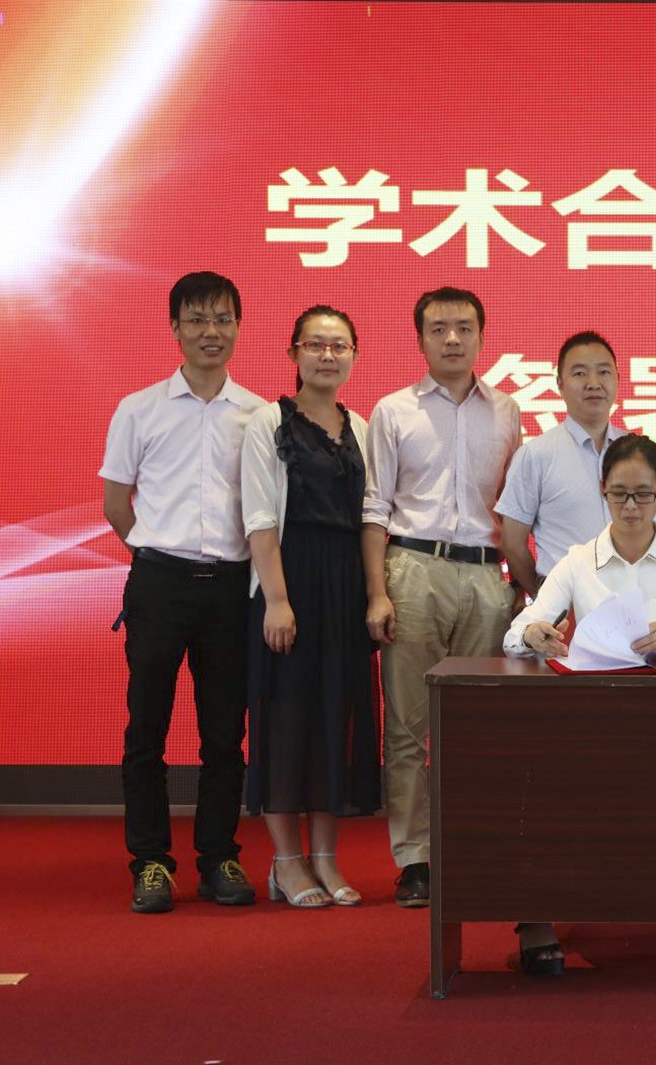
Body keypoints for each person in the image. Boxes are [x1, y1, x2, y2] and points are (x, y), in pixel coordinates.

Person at [503, 435, 656, 975]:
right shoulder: (579, 561)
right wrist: (533, 634)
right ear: (602, 490)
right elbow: (520, 628)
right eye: (619, 493)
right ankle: (534, 916)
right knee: (536, 782)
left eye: (643, 494)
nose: (630, 507)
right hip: (593, 721)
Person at [100, 271, 264, 913]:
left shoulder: (258, 414)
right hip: (160, 583)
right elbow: (117, 503)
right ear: (174, 328)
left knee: (225, 735)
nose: (210, 332)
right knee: (147, 729)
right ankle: (149, 861)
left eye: (222, 319)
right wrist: (155, 555)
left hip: (230, 588)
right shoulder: (139, 408)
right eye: (196, 319)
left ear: (238, 328)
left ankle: (219, 856)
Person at [362, 287, 520, 908]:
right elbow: (375, 507)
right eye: (438, 328)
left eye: (463, 327)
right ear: (420, 338)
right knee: (408, 727)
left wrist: (521, 585)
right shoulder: (393, 410)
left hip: (485, 575)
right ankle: (416, 859)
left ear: (481, 335)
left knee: (477, 727)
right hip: (412, 569)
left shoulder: (506, 411)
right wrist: (377, 593)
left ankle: (470, 847)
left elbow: (514, 506)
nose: (452, 339)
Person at [241, 305, 380, 908]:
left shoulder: (364, 428)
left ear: (355, 356)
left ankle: (325, 857)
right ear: (293, 352)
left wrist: (374, 593)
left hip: (344, 587)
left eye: (339, 345)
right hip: (289, 580)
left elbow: (372, 514)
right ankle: (286, 862)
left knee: (334, 719)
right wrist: (277, 599)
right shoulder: (268, 421)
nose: (328, 355)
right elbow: (259, 516)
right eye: (315, 344)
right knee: (286, 718)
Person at [497, 330, 626, 604]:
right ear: (560, 384)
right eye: (580, 373)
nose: (593, 383)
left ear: (617, 378)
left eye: (604, 372)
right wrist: (543, 594)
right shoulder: (536, 455)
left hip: (630, 597)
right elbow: (512, 541)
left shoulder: (637, 453)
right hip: (564, 601)